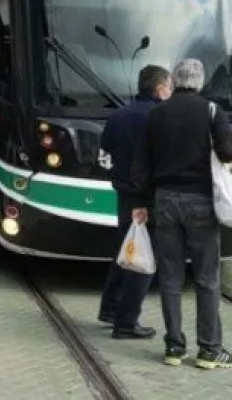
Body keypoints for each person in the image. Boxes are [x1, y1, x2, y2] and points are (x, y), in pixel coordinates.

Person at [130, 58, 232, 369]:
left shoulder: (157, 113)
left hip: (164, 201)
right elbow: (228, 153)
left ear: (175, 82)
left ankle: (174, 348)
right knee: (206, 278)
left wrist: (141, 202)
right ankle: (209, 350)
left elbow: (141, 164)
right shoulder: (210, 111)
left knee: (170, 277)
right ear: (201, 81)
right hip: (201, 201)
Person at [98, 64, 172, 340]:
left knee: (124, 250)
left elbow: (106, 150)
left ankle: (110, 308)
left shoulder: (118, 115)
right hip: (148, 197)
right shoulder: (161, 116)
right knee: (143, 259)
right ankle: (126, 323)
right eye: (170, 87)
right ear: (161, 88)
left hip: (124, 194)